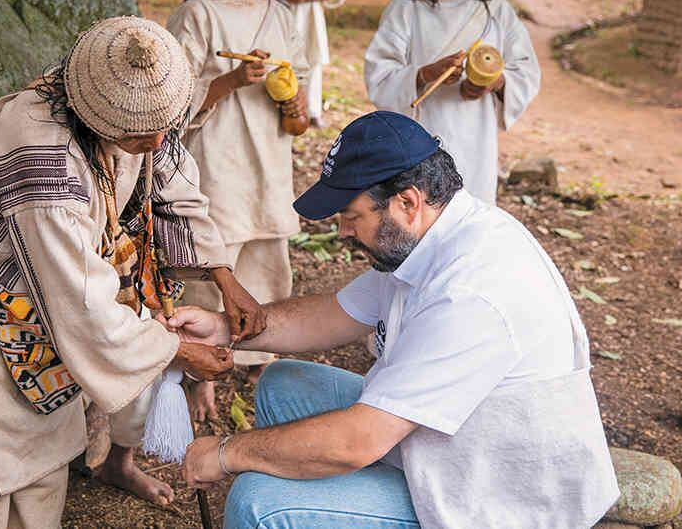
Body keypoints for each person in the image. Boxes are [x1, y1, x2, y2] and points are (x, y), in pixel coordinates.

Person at [168, 111, 620, 528]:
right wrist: (226, 329)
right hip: (452, 443)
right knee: (283, 384)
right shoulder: (433, 237)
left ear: (407, 201)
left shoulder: (471, 293)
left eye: (351, 216)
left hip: (497, 496)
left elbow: (357, 441)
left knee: (258, 503)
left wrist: (228, 454)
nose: (343, 231)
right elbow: (334, 314)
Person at [0, 17, 256, 527]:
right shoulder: (40, 153)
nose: (158, 143)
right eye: (141, 136)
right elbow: (81, 298)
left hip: (51, 339)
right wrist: (176, 351)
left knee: (41, 479)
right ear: (100, 122)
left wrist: (223, 274)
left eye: (165, 126)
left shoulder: (132, 97)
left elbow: (171, 175)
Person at [166, 0, 309, 417]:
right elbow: (169, 98)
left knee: (267, 264)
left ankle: (259, 355)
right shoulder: (199, 13)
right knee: (210, 266)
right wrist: (229, 81)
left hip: (268, 160)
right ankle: (197, 371)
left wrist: (294, 103)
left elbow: (297, 112)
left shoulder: (280, 16)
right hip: (217, 159)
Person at [365, 0, 540, 204]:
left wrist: (495, 82)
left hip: (476, 139)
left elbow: (526, 70)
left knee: (471, 212)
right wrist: (424, 74)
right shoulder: (406, 8)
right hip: (420, 135)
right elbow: (379, 73)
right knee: (420, 209)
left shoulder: (496, 10)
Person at [287, 0, 331, 127]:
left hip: (313, 14)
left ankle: (313, 111)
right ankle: (291, 110)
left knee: (314, 60)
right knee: (288, 61)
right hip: (288, 12)